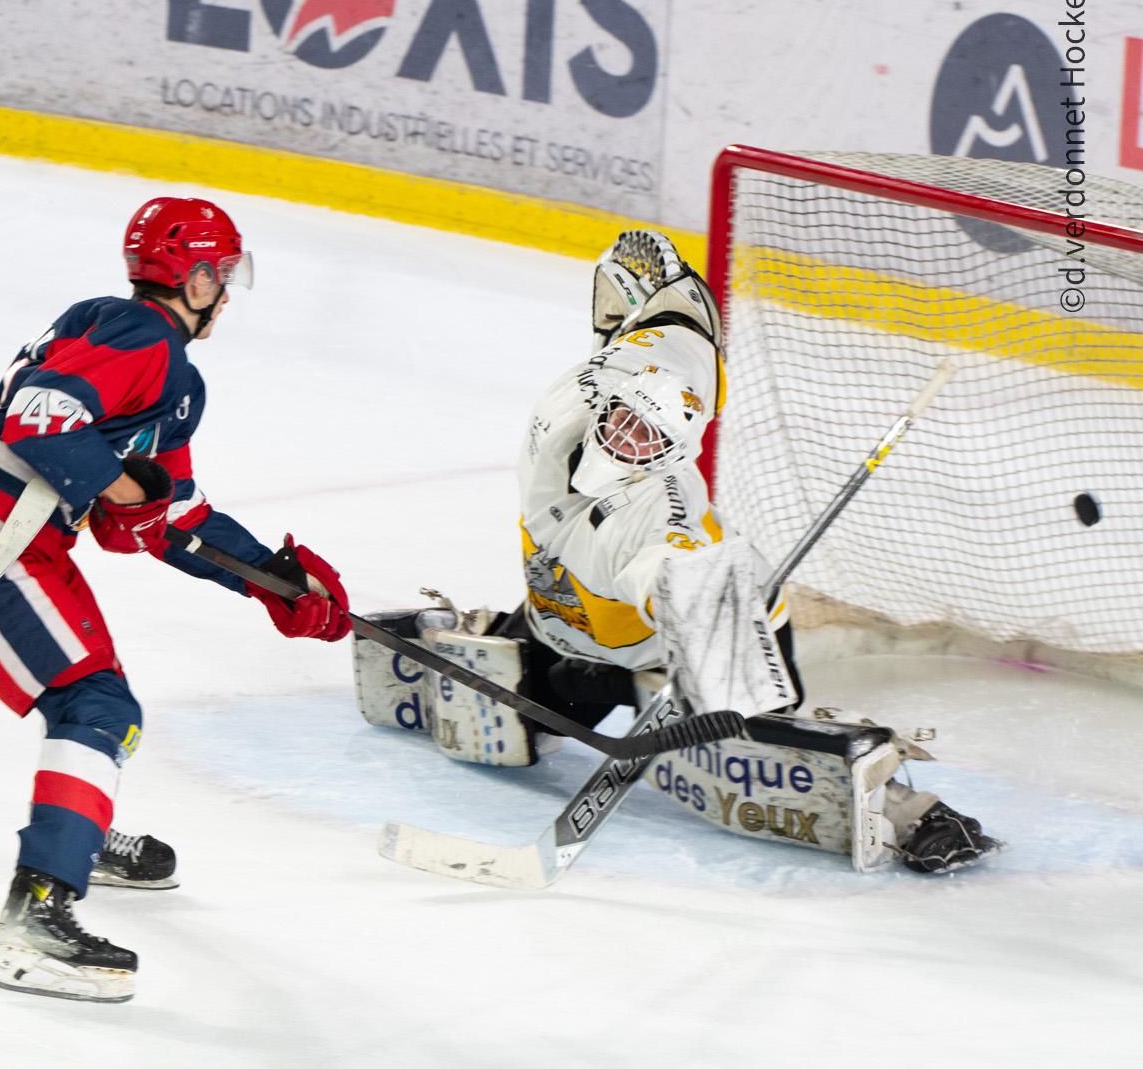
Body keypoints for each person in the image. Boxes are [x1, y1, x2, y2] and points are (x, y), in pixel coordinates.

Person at [366, 231, 998, 873]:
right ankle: (502, 641)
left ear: (670, 453)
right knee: (530, 712)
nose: (624, 441)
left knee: (756, 751)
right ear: (607, 402)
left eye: (646, 440)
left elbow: (671, 559)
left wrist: (697, 632)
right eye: (621, 423)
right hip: (581, 628)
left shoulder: (661, 511)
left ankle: (904, 808)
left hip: (703, 634)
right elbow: (676, 337)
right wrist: (664, 302)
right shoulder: (576, 401)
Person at [0, 197, 352, 1003]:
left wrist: (276, 583)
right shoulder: (142, 336)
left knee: (98, 699)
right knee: (98, 706)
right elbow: (43, 424)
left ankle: (74, 832)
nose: (226, 296)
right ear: (201, 276)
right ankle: (35, 920)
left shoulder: (146, 356)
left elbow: (167, 515)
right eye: (224, 278)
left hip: (12, 533)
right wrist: (117, 481)